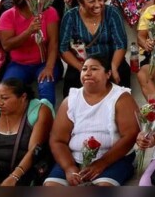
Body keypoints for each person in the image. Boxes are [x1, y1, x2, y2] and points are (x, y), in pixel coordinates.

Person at [44, 56, 139, 187]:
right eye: (84, 69)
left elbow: (131, 134)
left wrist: (101, 163)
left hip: (112, 160)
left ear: (108, 74)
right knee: (50, 187)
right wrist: (69, 167)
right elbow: (57, 140)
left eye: (94, 69)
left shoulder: (121, 97)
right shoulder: (70, 99)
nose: (87, 73)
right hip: (74, 159)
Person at [0, 0, 60, 105]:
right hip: (19, 64)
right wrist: (28, 32)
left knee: (46, 86)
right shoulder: (8, 15)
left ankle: (47, 122)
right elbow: (7, 45)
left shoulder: (49, 11)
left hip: (45, 62)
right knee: (6, 90)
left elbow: (53, 43)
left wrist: (49, 67)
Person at [59, 0, 129, 96]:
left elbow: (121, 44)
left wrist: (113, 67)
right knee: (72, 81)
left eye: (100, 0)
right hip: (82, 61)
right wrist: (82, 68)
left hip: (109, 59)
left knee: (121, 73)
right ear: (81, 2)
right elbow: (63, 48)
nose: (97, 5)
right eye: (91, 1)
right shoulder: (71, 16)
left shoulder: (112, 13)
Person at [0, 79, 54, 186]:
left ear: (23, 97)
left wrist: (14, 177)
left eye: (5, 98)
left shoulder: (40, 111)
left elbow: (34, 150)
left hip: (25, 173)